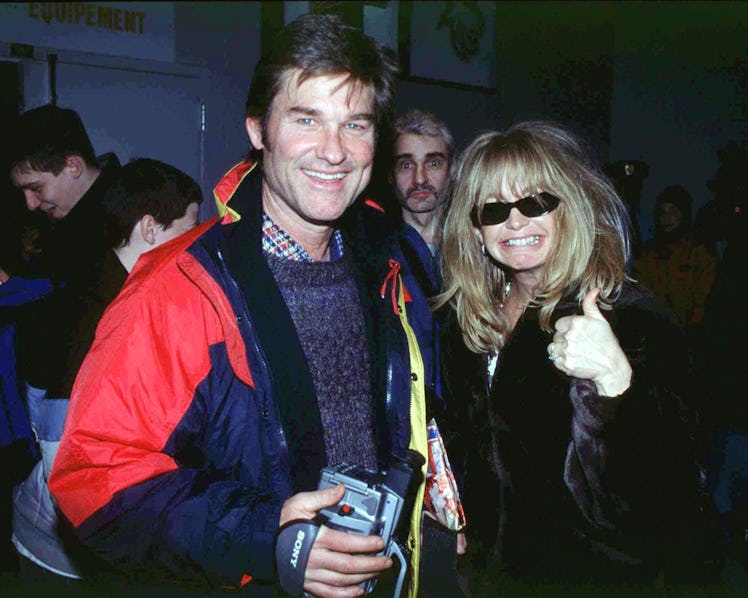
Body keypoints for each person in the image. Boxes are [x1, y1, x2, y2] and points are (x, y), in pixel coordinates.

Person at [49, 14, 431, 598]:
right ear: (258, 129)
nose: (334, 152)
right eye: (306, 119)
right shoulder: (179, 286)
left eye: (355, 125)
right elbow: (95, 480)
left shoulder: (387, 258)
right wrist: (266, 536)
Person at [436, 121, 704, 590]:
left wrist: (616, 384)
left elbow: (670, 499)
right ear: (476, 230)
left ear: (571, 209)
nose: (515, 221)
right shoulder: (465, 322)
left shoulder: (631, 318)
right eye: (494, 209)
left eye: (536, 202)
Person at [12, 158, 202, 589]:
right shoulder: (97, 316)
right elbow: (66, 462)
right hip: (62, 556)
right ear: (151, 229)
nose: (197, 243)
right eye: (190, 227)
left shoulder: (114, 286)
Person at [8, 104, 121, 401]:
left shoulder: (128, 219)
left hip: (92, 402)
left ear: (73, 166)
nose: (30, 203)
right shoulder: (60, 221)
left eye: (36, 188)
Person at [390, 108, 455, 404]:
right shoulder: (373, 256)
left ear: (451, 170)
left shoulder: (481, 251)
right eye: (406, 165)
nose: (420, 178)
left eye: (433, 162)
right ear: (391, 175)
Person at [633, 185, 717, 333]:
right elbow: (640, 293)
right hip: (655, 331)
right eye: (663, 213)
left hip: (693, 334)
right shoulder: (648, 253)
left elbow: (705, 299)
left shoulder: (699, 251)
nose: (667, 218)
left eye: (674, 212)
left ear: (684, 214)